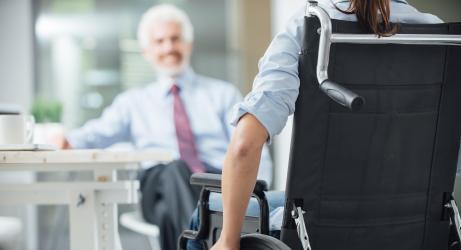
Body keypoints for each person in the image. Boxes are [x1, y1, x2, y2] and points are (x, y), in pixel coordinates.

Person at [186, 0, 443, 249]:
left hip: (315, 228)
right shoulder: (440, 35)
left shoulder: (311, 26)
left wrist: (228, 241)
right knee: (277, 200)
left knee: (206, 211)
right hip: (411, 225)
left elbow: (244, 146)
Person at [53, 4, 273, 249]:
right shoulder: (132, 102)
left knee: (171, 211)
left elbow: (250, 145)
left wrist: (254, 193)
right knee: (174, 169)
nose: (169, 47)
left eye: (175, 39)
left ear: (189, 44)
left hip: (214, 185)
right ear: (147, 51)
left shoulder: (223, 94)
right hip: (156, 186)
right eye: (160, 41)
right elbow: (99, 132)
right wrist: (67, 139)